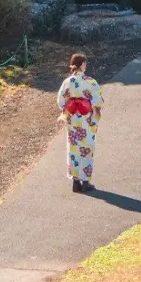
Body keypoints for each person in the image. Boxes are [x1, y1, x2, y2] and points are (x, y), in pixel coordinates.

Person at [57, 52, 104, 193]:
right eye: (85, 63)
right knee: (87, 149)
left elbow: (60, 101)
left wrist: (71, 106)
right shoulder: (90, 82)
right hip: (87, 120)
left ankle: (75, 182)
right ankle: (86, 182)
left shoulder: (67, 82)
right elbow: (97, 101)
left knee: (73, 149)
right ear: (82, 64)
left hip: (73, 120)